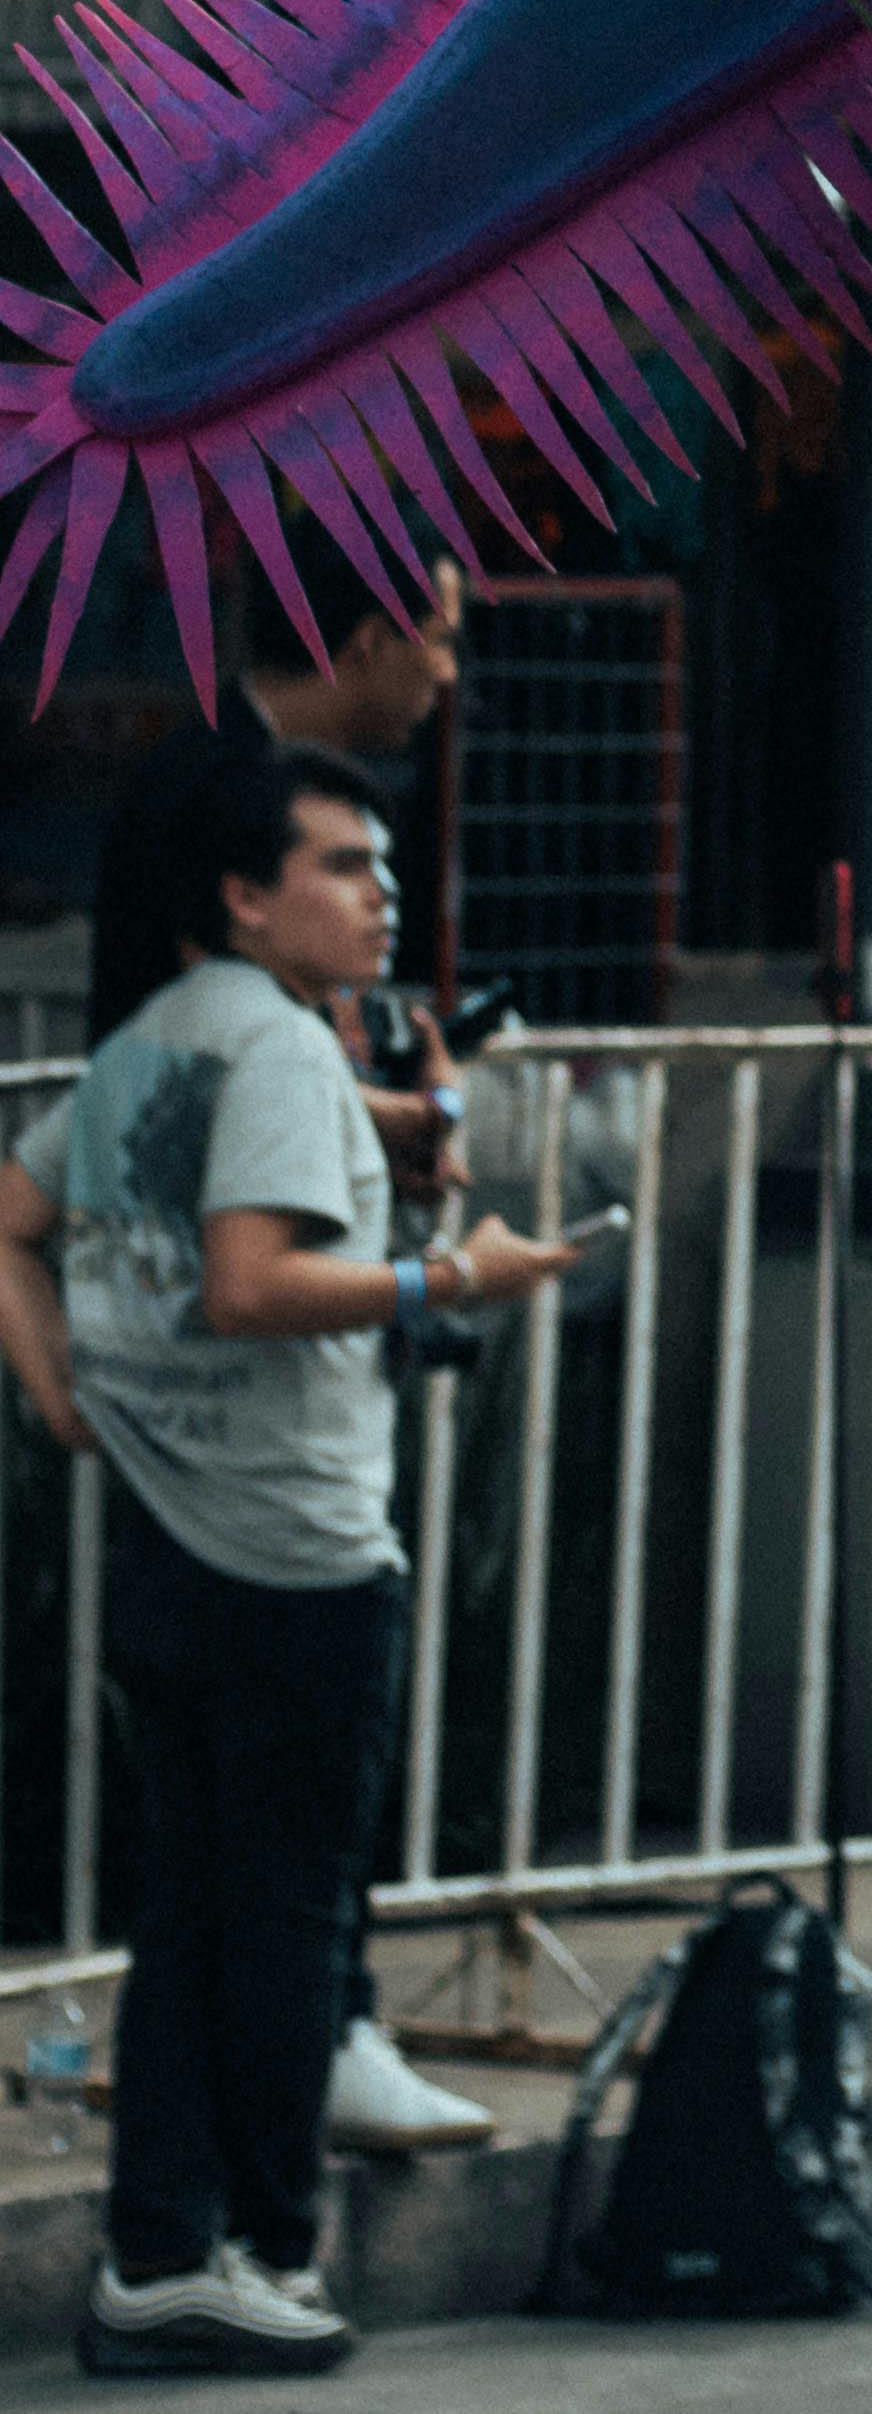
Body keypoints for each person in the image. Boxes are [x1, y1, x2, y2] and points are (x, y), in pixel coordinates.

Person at [0, 753, 583, 2379]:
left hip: (176, 1540)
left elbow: (10, 1210)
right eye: (341, 861)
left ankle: (160, 2252)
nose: (379, 888)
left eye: (382, 860)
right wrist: (454, 1269)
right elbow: (256, 1281)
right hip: (292, 1551)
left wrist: (64, 1396)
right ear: (247, 895)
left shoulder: (166, 1038)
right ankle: (255, 2242)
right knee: (279, 1922)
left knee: (196, 1914)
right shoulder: (263, 1041)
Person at [83, 576, 490, 2165]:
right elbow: (170, 1072)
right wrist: (428, 1247)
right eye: (440, 633)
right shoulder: (207, 803)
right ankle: (257, 2141)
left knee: (253, 1797)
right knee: (243, 1800)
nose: (449, 671)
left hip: (219, 1346)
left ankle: (293, 2073)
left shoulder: (275, 846)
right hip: (221, 1381)